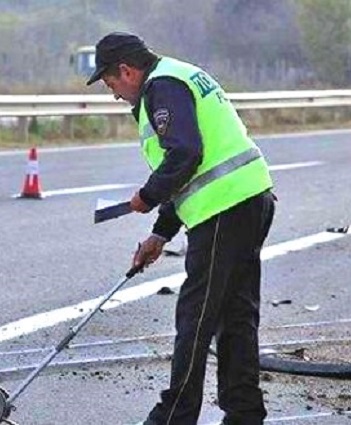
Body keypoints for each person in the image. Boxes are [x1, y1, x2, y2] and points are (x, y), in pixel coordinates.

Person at [87, 32, 275, 425]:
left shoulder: (162, 87)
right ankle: (244, 413)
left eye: (112, 84)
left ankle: (174, 417)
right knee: (237, 316)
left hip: (224, 208)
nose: (115, 94)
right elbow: (188, 172)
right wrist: (160, 233)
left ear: (126, 70)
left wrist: (146, 196)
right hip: (249, 198)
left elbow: (186, 154)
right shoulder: (177, 75)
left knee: (196, 318)